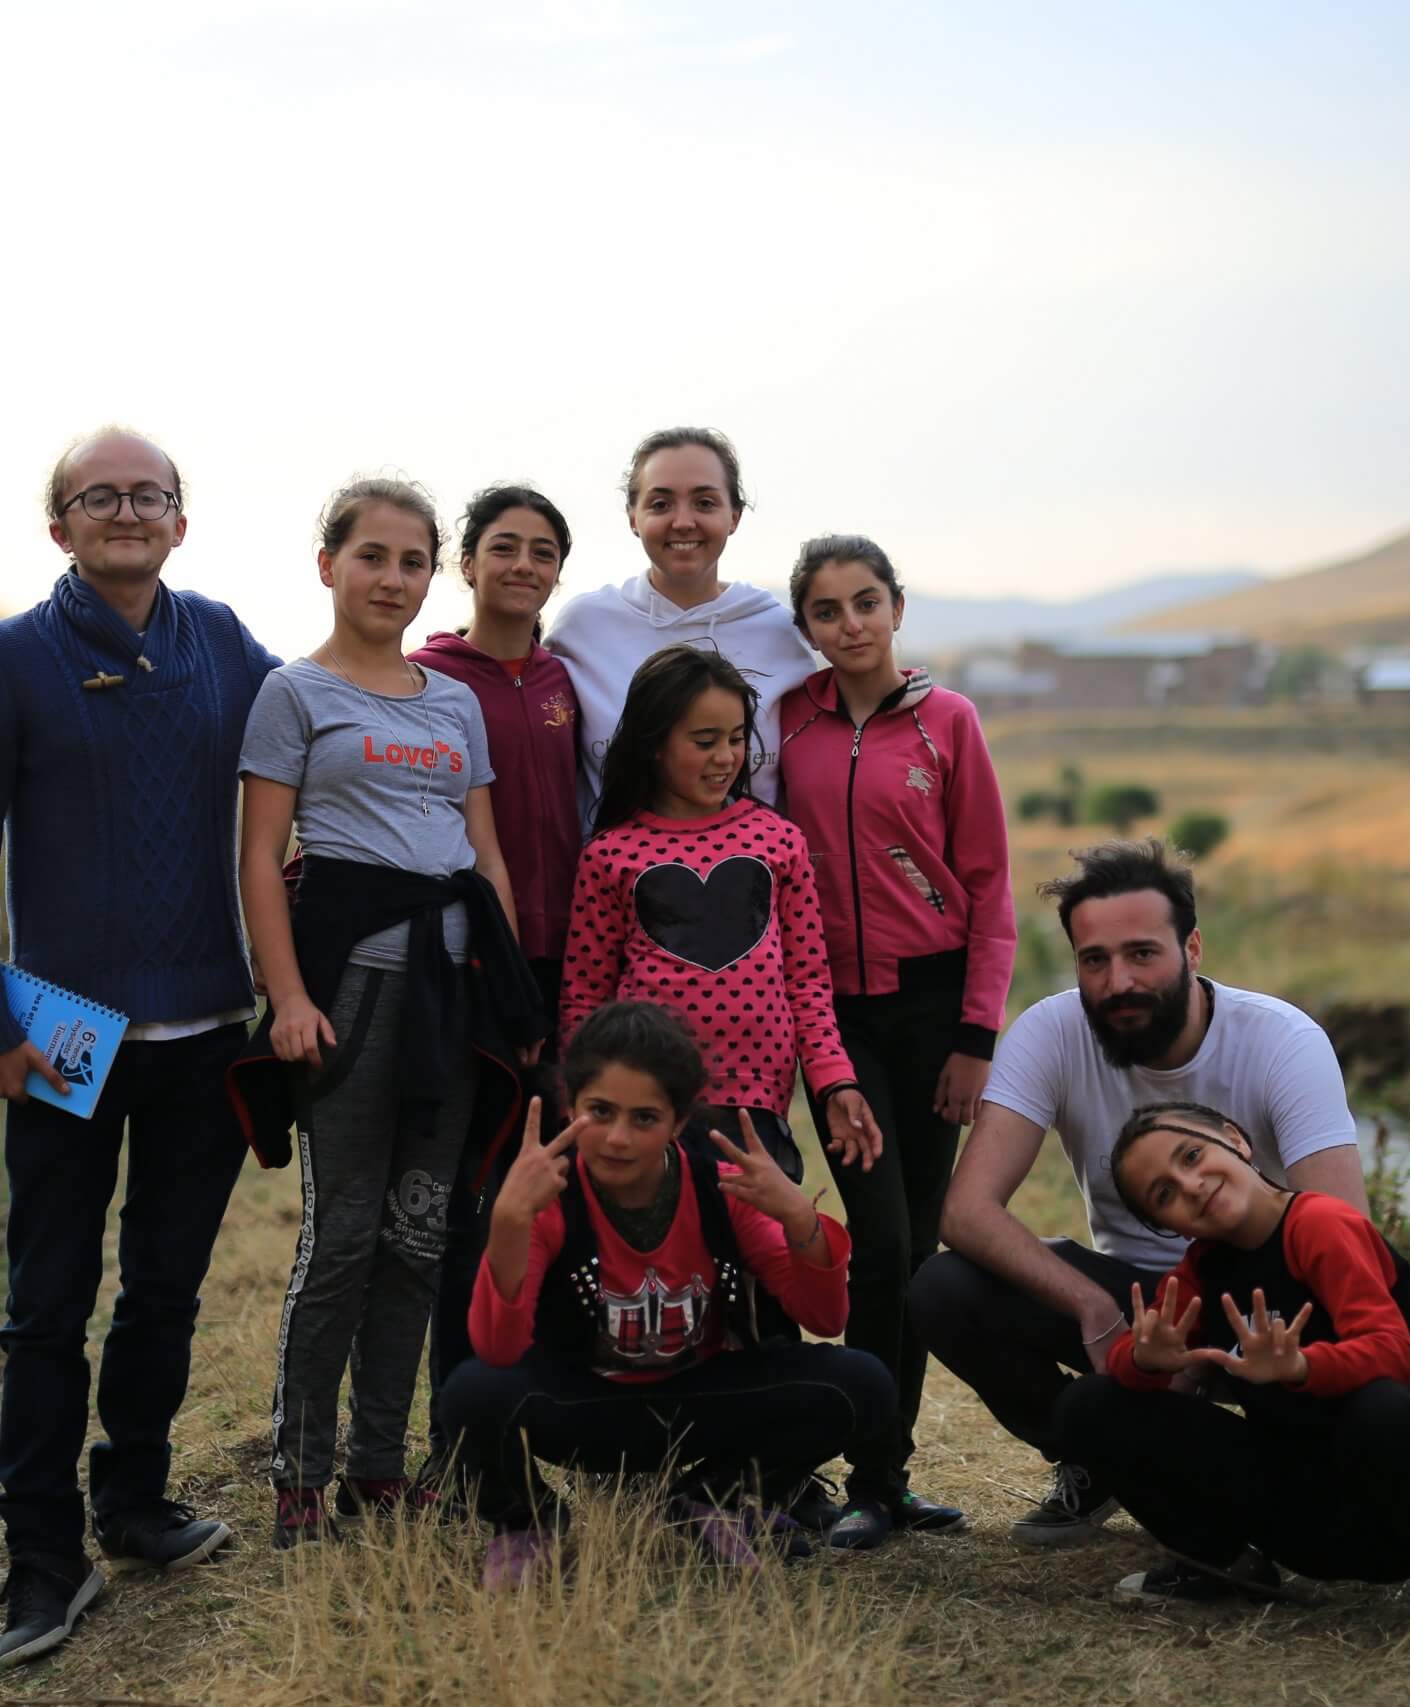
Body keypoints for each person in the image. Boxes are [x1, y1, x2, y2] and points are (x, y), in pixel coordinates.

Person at [0, 428, 278, 1669]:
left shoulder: (226, 643)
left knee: (166, 1289)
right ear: (59, 525)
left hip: (207, 1025)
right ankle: (43, 1557)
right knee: (46, 1305)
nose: (125, 510)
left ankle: (133, 1503)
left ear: (181, 520)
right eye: (98, 496)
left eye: (149, 494)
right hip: (64, 1030)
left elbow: (323, 729)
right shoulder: (10, 657)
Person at [235, 476, 544, 1550]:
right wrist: (286, 998)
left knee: (419, 1236)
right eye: (373, 556)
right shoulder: (293, 694)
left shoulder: (452, 701)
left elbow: (486, 858)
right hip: (351, 999)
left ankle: (378, 1469)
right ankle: (300, 1478)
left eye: (413, 561)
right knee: (344, 1237)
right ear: (329, 566)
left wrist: (508, 998)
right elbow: (261, 862)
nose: (393, 578)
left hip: (452, 1001)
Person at [909, 837, 1370, 1547]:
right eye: (1095, 960)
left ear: (1192, 949)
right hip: (1133, 1303)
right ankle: (1100, 1462)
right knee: (942, 1287)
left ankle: (1253, 1481)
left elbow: (1346, 1230)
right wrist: (1093, 1307)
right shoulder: (1051, 1031)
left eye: (1141, 954)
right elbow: (965, 1212)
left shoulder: (1281, 1039)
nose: (1117, 979)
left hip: (1256, 1298)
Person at [435, 1000, 896, 1585]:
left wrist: (800, 1219)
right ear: (569, 1107)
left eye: (644, 1118)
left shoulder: (721, 1188)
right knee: (469, 1394)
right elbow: (498, 1352)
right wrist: (506, 1223)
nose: (618, 1139)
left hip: (697, 1401)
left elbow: (826, 1318)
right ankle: (527, 1523)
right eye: (599, 1111)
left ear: (679, 1122)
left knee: (864, 1385)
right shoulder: (545, 1196)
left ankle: (709, 1500)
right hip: (581, 1406)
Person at [1058, 1102, 1410, 1638]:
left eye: (1193, 1155)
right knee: (1089, 1405)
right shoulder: (1205, 1266)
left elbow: (1393, 1351)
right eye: (1165, 1194)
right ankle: (1223, 1565)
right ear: (1165, 1225)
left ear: (1236, 1140)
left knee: (1383, 1408)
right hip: (1299, 1512)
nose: (1191, 1184)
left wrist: (1300, 1367)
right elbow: (1134, 1359)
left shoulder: (1319, 1224)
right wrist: (1144, 1360)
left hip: (1401, 1503)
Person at [775, 534, 1015, 1550]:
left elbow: (992, 888)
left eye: (865, 602)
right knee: (876, 1245)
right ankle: (859, 1476)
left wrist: (976, 1037)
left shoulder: (948, 723)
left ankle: (889, 1479)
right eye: (827, 611)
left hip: (933, 1015)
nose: (850, 624)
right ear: (807, 629)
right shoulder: (789, 724)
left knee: (915, 1252)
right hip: (832, 1013)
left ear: (897, 607)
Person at [560, 644, 884, 1190]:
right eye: (704, 741)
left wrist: (834, 1082)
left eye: (736, 739)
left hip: (757, 1102)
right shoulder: (610, 854)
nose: (725, 758)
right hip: (647, 1102)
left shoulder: (778, 839)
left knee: (752, 1259)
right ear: (654, 744)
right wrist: (583, 1102)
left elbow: (806, 983)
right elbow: (585, 998)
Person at [545, 427, 814, 823]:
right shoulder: (583, 627)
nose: (683, 522)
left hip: (754, 877)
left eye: (705, 503)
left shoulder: (777, 630)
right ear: (633, 517)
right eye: (660, 504)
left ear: (734, 516)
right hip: (611, 878)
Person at [410, 484, 582, 1039]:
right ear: (467, 563)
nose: (524, 566)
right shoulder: (424, 677)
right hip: (466, 936)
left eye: (543, 553)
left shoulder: (563, 677)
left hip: (568, 938)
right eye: (505, 548)